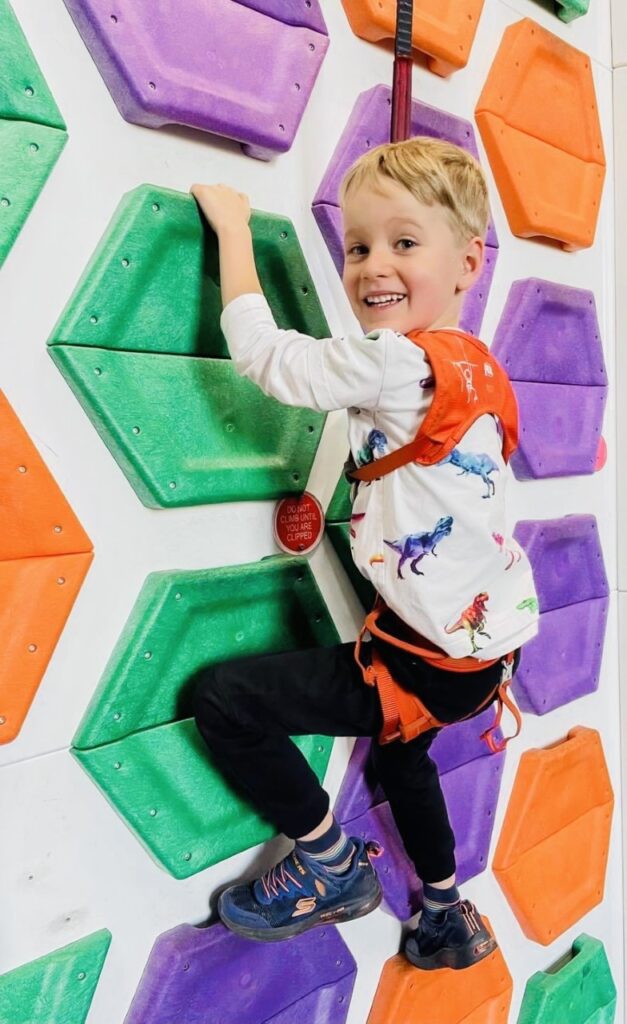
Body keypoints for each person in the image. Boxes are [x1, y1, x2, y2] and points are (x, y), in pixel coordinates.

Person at [191, 137, 539, 971]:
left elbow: (270, 361)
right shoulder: (479, 366)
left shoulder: (397, 360)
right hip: (483, 661)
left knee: (224, 699)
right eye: (357, 245)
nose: (372, 265)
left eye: (403, 243)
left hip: (422, 664)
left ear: (468, 262)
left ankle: (327, 862)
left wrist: (233, 231)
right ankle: (445, 912)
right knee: (402, 751)